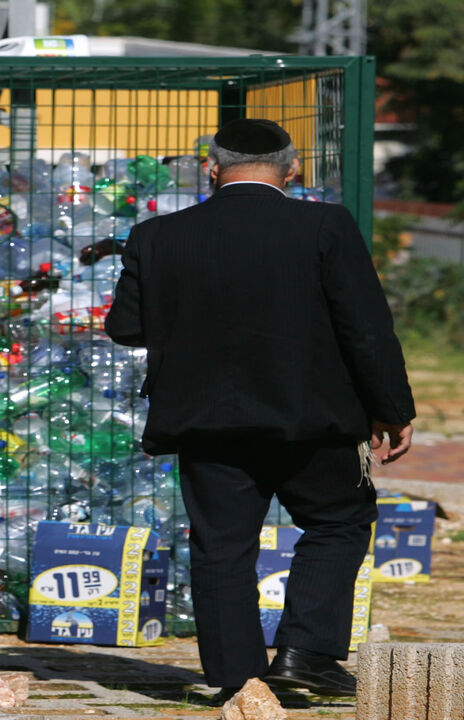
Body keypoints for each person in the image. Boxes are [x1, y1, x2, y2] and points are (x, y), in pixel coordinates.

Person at [105, 119, 415, 702]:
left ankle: (238, 678)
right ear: (293, 169)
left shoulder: (156, 235)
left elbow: (125, 327)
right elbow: (366, 328)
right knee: (337, 521)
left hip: (203, 418)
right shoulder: (323, 224)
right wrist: (391, 409)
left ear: (211, 167)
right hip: (312, 415)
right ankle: (305, 654)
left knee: (221, 543)